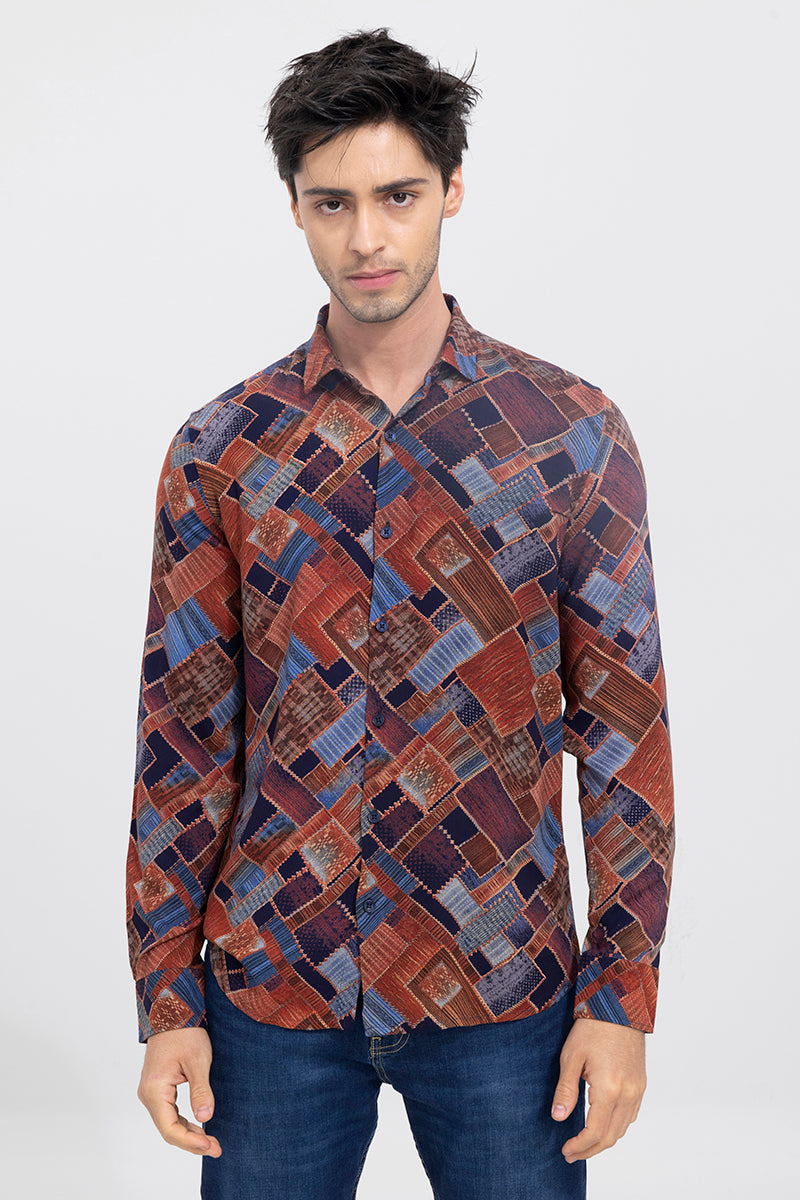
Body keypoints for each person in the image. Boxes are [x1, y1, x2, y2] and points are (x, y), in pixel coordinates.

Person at [126, 28, 675, 1200]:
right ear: (293, 206)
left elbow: (624, 738)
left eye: (397, 196)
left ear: (450, 191)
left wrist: (620, 997)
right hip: (272, 992)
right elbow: (184, 740)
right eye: (332, 203)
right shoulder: (223, 451)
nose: (366, 239)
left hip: (501, 990)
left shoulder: (565, 436)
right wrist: (168, 997)